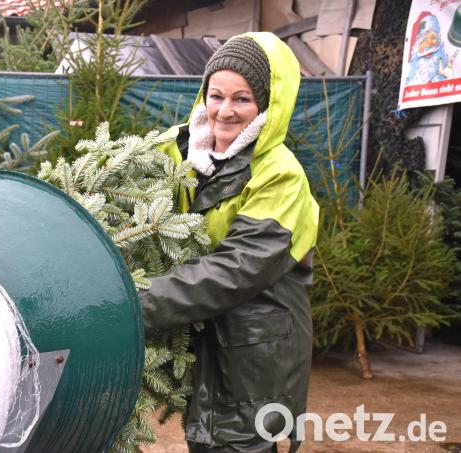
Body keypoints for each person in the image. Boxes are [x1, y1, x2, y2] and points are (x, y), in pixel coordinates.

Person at [139, 32, 319, 453]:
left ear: (268, 107)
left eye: (242, 99)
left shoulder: (280, 176)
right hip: (206, 340)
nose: (224, 111)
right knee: (204, 440)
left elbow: (234, 270)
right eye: (215, 95)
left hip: (256, 356)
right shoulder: (184, 153)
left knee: (237, 444)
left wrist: (133, 301)